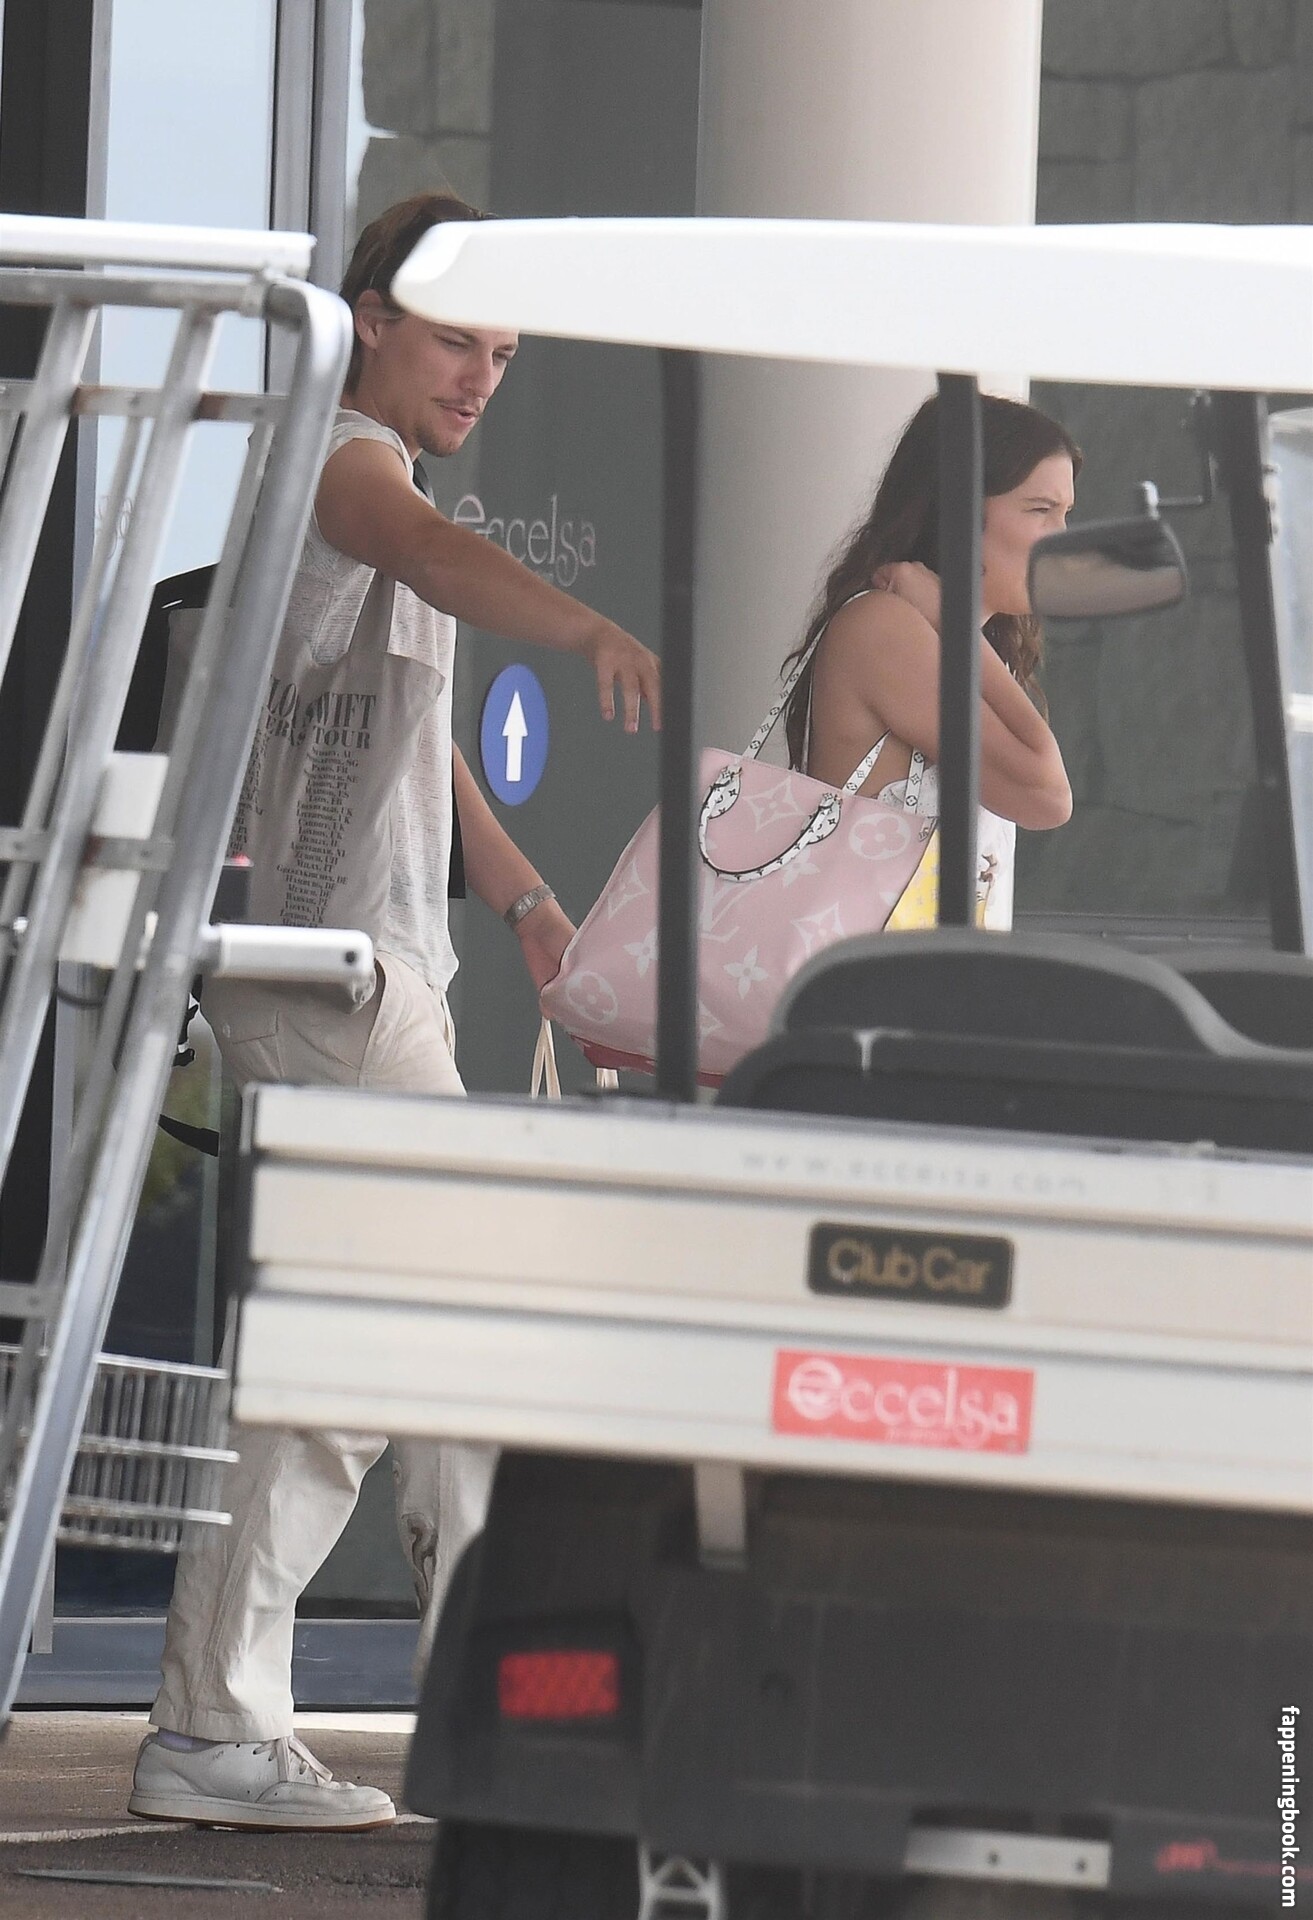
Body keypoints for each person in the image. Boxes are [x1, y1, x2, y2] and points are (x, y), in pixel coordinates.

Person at [127, 191, 660, 1832]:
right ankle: (213, 1724)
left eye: (505, 354)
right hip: (330, 976)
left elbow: (419, 743)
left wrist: (527, 904)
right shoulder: (338, 462)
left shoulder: (382, 483)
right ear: (369, 320)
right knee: (381, 1344)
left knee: (447, 1346)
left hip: (371, 973)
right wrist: (582, 622)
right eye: (455, 342)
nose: (481, 377)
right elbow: (422, 553)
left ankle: (492, 1710)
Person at [782, 391, 1076, 927]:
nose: (1062, 539)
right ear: (960, 512)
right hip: (877, 973)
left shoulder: (973, 649)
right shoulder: (885, 627)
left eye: (1066, 514)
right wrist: (957, 624)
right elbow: (1048, 797)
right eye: (1040, 510)